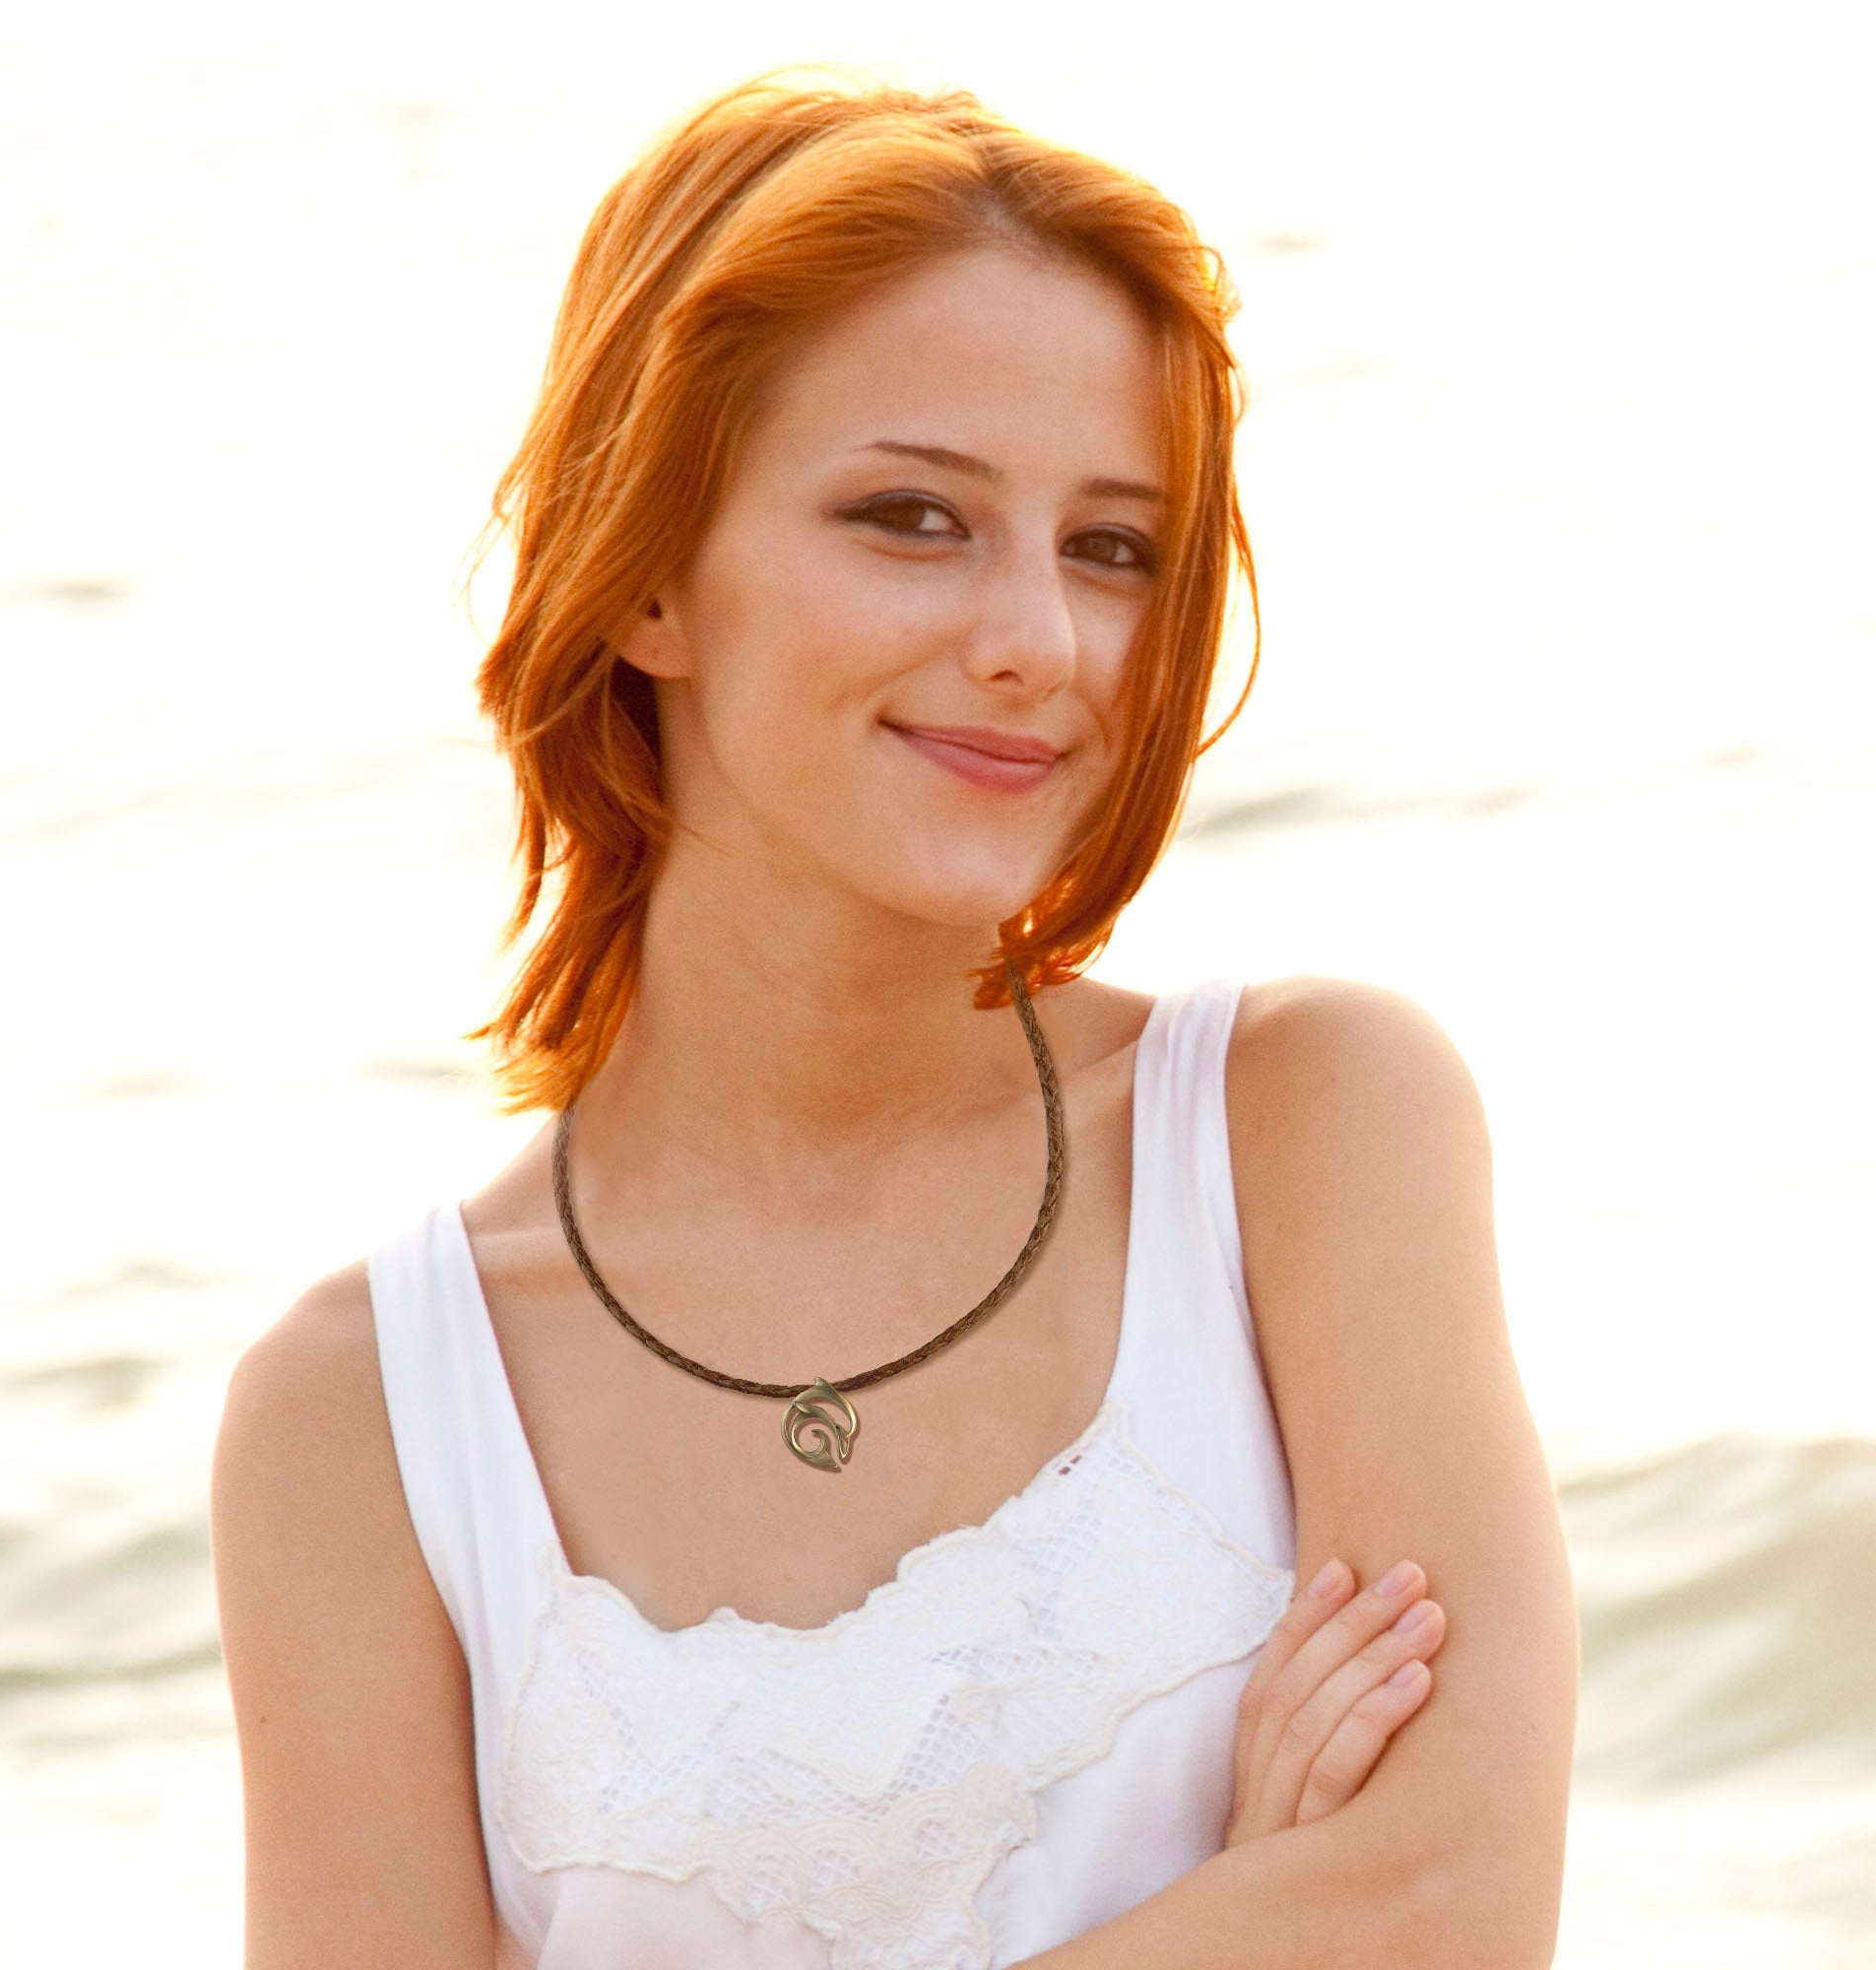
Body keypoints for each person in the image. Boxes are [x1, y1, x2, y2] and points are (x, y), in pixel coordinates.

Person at [210, 70, 1579, 1970]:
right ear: (652, 577)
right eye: (915, 517)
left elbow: (1448, 1900)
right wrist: (1245, 1907)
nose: (1044, 639)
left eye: (1111, 545)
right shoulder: (363, 1413)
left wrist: (1356, 1902)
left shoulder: (1306, 1126)